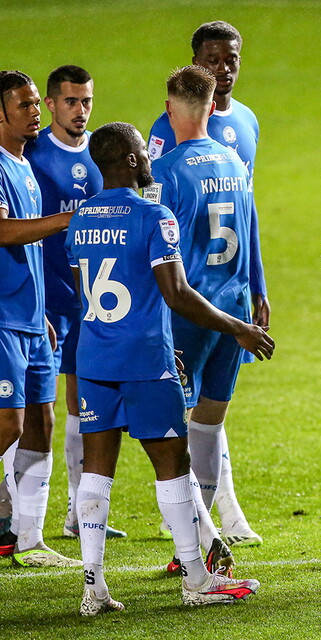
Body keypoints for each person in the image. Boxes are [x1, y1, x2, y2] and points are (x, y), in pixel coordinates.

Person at [66, 120, 272, 615]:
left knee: (97, 469)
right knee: (172, 466)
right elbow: (177, 295)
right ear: (133, 160)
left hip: (94, 357)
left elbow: (80, 289)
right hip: (144, 359)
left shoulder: (80, 219)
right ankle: (196, 577)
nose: (151, 157)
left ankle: (93, 585)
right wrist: (236, 328)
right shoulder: (154, 216)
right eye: (144, 150)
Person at [148, 20, 266, 547]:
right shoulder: (229, 163)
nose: (223, 69)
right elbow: (249, 214)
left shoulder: (179, 162)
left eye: (231, 59)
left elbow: (152, 229)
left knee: (177, 429)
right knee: (209, 422)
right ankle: (216, 524)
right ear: (198, 63)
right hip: (230, 301)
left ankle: (197, 541)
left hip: (191, 305)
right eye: (213, 60)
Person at [22, 65, 125, 541]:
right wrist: (36, 303)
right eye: (70, 102)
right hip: (48, 301)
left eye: (86, 101)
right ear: (50, 104)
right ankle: (24, 524)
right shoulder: (34, 155)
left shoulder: (103, 152)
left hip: (95, 300)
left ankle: (77, 512)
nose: (80, 110)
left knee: (86, 404)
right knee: (36, 411)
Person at [0, 70, 80, 567]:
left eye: (36, 104)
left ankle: (29, 539)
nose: (35, 112)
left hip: (31, 318)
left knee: (41, 423)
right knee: (7, 423)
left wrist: (44, 311)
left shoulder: (25, 167)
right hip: (2, 317)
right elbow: (4, 231)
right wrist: (67, 219)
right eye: (26, 105)